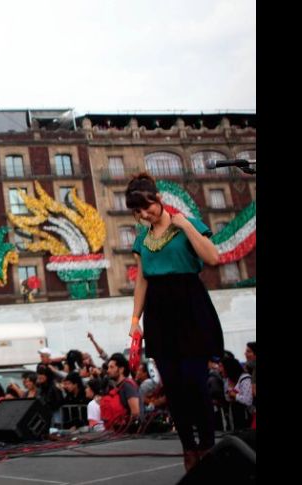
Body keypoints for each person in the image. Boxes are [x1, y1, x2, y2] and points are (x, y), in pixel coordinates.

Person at [126, 172, 223, 472]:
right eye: (138, 211)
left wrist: (186, 226)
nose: (144, 214)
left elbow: (213, 258)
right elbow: (142, 281)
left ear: (159, 199)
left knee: (195, 383)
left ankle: (207, 446)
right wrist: (135, 319)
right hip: (159, 312)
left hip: (190, 305)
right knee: (174, 388)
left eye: (147, 206)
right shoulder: (142, 239)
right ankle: (189, 449)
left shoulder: (188, 224)